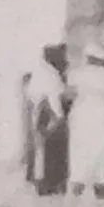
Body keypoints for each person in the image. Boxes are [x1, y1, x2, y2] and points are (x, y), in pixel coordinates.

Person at [68, 48, 104, 195]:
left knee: (80, 147)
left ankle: (78, 181)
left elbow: (69, 94)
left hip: (82, 113)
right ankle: (100, 183)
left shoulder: (77, 75)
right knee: (102, 148)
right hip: (103, 114)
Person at [27, 46, 71, 195]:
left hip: (40, 114)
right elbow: (53, 100)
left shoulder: (40, 73)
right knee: (51, 150)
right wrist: (58, 117)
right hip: (49, 115)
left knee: (41, 149)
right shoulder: (51, 76)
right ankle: (50, 182)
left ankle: (42, 181)